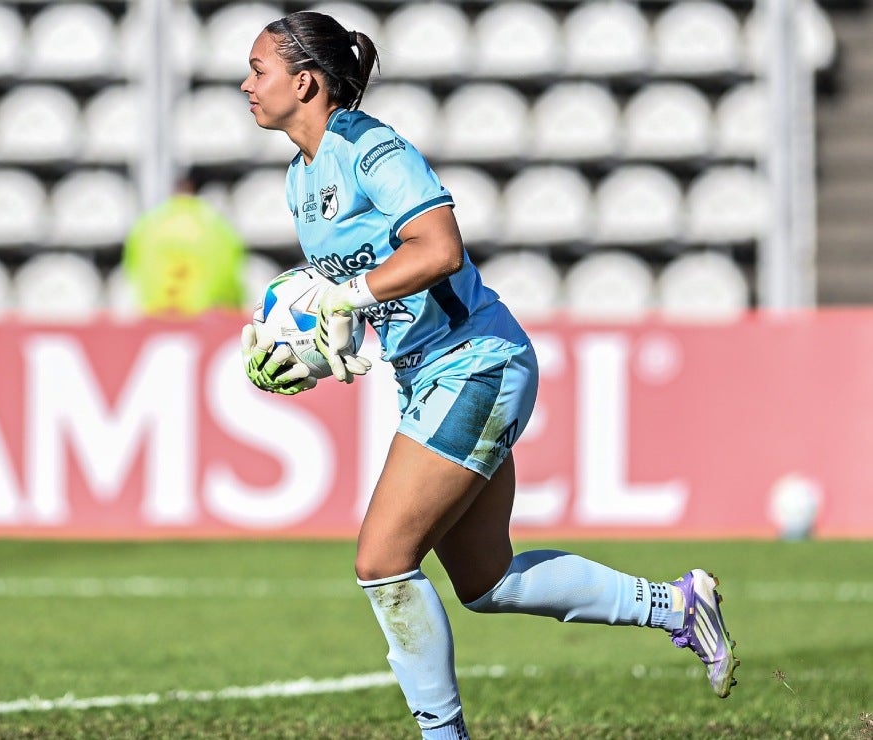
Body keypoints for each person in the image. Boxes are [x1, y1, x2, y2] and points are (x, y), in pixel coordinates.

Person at [237, 11, 739, 739]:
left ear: (304, 81)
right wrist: (320, 348)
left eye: (258, 69)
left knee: (382, 561)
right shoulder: (300, 178)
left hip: (477, 363)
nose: (247, 84)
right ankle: (675, 605)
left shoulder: (371, 149)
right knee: (486, 580)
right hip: (432, 372)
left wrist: (346, 295)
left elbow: (437, 249)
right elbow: (364, 285)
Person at [122, 177, 247, 317]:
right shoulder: (217, 225)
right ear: (195, 192)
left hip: (156, 313)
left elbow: (132, 266)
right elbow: (232, 267)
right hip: (203, 316)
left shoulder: (147, 224)